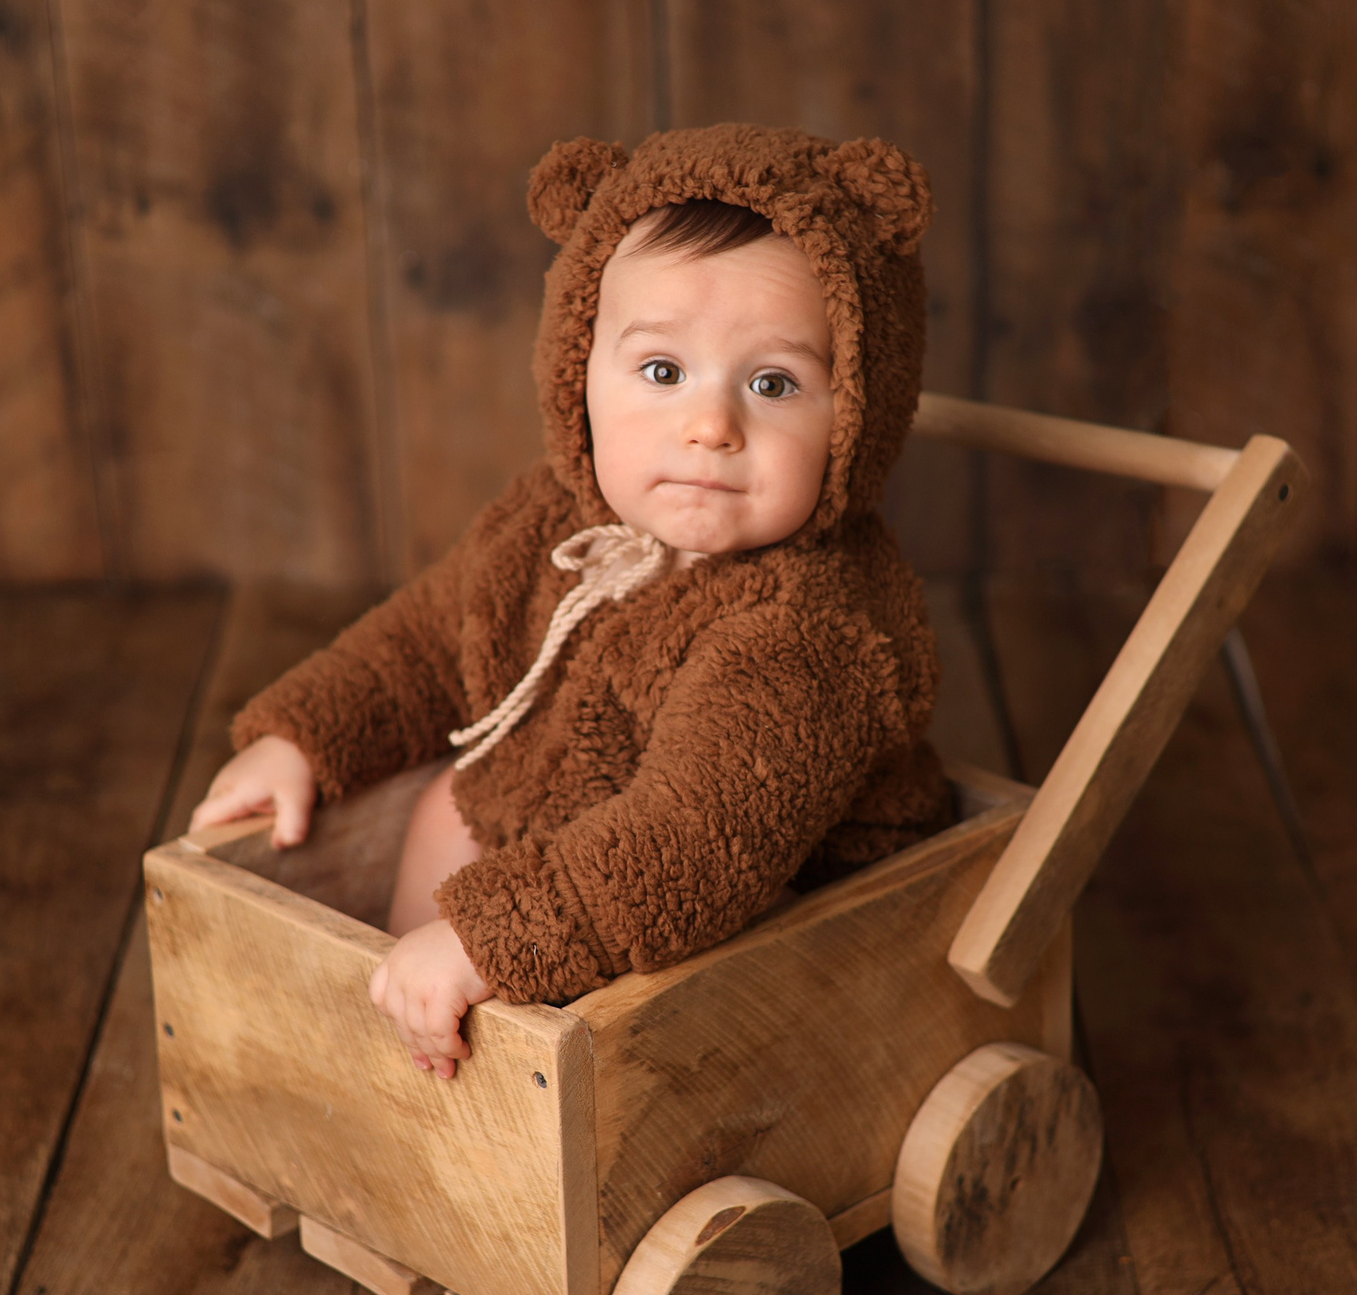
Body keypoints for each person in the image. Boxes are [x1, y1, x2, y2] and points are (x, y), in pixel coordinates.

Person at [189, 124, 953, 1078]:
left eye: (773, 382)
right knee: (444, 811)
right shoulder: (550, 524)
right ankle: (419, 1067)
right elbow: (428, 639)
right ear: (578, 375)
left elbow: (691, 839)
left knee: (684, 948)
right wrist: (303, 734)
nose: (711, 426)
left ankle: (476, 1068)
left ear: (857, 417)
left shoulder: (809, 630)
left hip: (750, 887)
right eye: (664, 372)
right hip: (581, 842)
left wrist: (490, 937)